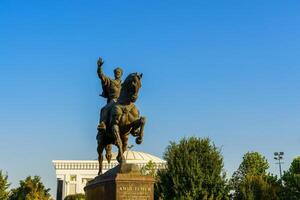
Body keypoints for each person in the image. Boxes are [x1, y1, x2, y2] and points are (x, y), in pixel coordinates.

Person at [97, 57, 123, 135]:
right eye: (116, 72)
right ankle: (103, 124)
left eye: (119, 72)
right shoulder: (110, 81)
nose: (117, 73)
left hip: (122, 101)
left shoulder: (124, 84)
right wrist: (99, 67)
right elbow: (101, 76)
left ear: (121, 74)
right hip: (113, 100)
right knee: (104, 109)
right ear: (114, 74)